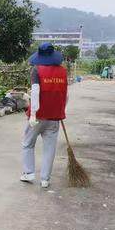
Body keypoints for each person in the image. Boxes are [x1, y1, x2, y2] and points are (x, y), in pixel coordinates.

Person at [20, 42, 68, 188]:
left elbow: (35, 93)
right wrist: (61, 110)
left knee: (28, 144)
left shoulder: (37, 70)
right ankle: (45, 179)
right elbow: (65, 95)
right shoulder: (63, 72)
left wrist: (33, 114)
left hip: (38, 116)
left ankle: (28, 173)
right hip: (55, 117)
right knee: (49, 149)